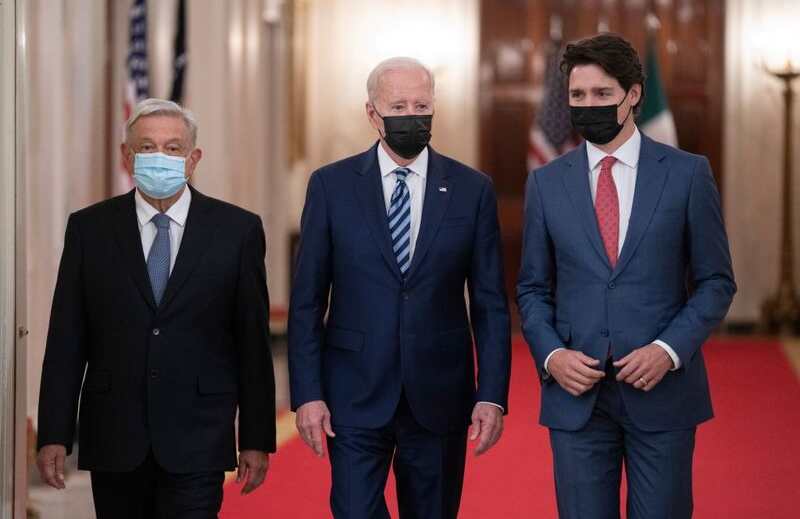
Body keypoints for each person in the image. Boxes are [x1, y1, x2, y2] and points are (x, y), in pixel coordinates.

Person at [516, 33, 736, 519]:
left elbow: (717, 281)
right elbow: (531, 288)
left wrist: (668, 350)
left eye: (601, 94)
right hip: (577, 396)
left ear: (634, 94)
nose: (587, 105)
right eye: (577, 96)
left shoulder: (688, 173)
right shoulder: (546, 182)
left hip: (662, 392)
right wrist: (551, 355)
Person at [288, 56, 511, 518]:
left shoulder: (473, 189)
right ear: (373, 114)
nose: (412, 115)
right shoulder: (331, 187)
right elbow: (308, 302)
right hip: (353, 392)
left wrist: (491, 394)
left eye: (422, 105)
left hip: (440, 395)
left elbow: (489, 304)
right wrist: (307, 393)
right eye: (399, 105)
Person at [36, 98, 276, 518]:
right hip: (115, 434)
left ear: (193, 158)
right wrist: (54, 432)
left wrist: (256, 438)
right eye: (146, 148)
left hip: (198, 434)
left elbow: (251, 344)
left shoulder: (236, 231)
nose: (159, 157)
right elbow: (66, 339)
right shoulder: (89, 229)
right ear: (126, 156)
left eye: (172, 147)